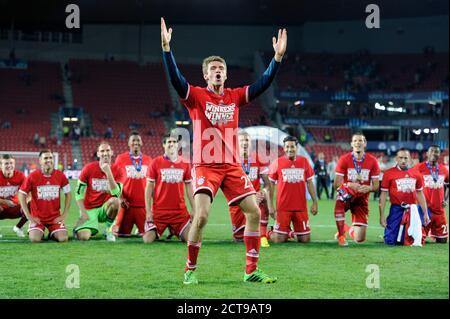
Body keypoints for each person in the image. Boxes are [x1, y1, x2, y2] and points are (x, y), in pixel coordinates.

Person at [161, 17, 286, 284]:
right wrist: (167, 50)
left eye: (221, 68)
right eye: (213, 68)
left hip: (231, 166)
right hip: (205, 165)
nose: (218, 71)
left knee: (253, 212)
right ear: (206, 74)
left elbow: (262, 83)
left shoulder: (235, 96)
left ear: (226, 74)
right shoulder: (195, 95)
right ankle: (189, 270)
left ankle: (251, 270)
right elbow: (175, 78)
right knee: (202, 215)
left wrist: (276, 59)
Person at [143, 133, 194, 243]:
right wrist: (148, 211)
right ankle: (168, 229)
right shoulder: (155, 162)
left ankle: (174, 229)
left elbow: (189, 188)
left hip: (179, 213)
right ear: (164, 145)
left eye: (174, 142)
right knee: (147, 240)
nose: (172, 144)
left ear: (177, 145)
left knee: (191, 239)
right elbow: (149, 188)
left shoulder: (185, 163)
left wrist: (195, 209)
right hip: (159, 212)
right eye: (169, 142)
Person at [267, 136, 318, 243]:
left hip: (300, 207)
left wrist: (314, 202)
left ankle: (288, 232)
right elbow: (270, 185)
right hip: (283, 207)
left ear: (297, 147)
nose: (290, 149)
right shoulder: (277, 162)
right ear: (284, 148)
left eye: (292, 146)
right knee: (279, 240)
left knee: (305, 240)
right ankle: (270, 232)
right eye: (287, 147)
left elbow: (309, 183)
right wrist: (270, 206)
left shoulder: (304, 161)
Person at [333, 132, 380, 246]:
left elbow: (376, 186)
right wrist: (349, 184)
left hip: (362, 199)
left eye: (360, 141)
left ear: (365, 144)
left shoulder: (372, 161)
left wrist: (369, 188)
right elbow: (336, 185)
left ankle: (347, 228)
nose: (358, 143)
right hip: (348, 194)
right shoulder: (344, 159)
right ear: (351, 144)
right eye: (355, 141)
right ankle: (341, 236)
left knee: (359, 239)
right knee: (339, 200)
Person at [229, 130, 271, 247]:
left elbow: (268, 184)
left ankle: (263, 232)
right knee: (239, 238)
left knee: (264, 198)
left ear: (251, 143)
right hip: (238, 202)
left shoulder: (258, 158)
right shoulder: (231, 160)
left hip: (255, 201)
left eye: (247, 140)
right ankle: (266, 232)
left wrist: (263, 191)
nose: (244, 143)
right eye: (241, 140)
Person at [73, 141, 123, 242]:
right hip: (89, 208)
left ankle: (108, 230)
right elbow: (78, 192)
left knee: (116, 201)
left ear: (112, 152)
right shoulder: (88, 168)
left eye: (107, 150)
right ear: (98, 154)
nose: (105, 153)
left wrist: (108, 172)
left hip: (105, 208)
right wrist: (83, 212)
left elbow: (117, 194)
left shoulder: (117, 169)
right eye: (102, 151)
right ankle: (79, 227)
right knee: (83, 237)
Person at [18, 149, 71, 242]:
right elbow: (21, 194)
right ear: (40, 161)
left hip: (54, 218)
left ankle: (52, 233)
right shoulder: (32, 176)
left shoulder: (60, 175)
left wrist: (64, 214)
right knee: (35, 239)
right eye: (45, 158)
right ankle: (38, 231)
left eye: (50, 158)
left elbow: (68, 194)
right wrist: (28, 216)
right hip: (38, 218)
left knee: (63, 238)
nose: (48, 160)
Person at [379, 149, 429, 245]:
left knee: (413, 240)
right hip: (396, 208)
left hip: (412, 209)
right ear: (396, 159)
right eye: (400, 158)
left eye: (405, 158)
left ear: (410, 159)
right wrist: (381, 215)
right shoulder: (388, 173)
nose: (403, 160)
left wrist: (425, 213)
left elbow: (420, 193)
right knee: (390, 241)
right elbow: (383, 195)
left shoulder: (416, 173)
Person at [113, 132, 152, 237]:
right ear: (129, 143)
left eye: (138, 140)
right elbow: (115, 181)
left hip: (143, 205)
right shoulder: (120, 158)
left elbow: (152, 184)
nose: (136, 142)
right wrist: (120, 198)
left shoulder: (149, 160)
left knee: (149, 235)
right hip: (126, 205)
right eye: (133, 140)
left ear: (142, 143)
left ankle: (140, 228)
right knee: (121, 235)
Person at [412, 145, 449, 243]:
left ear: (439, 154)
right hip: (425, 209)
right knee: (419, 239)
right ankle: (425, 231)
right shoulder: (419, 167)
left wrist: (445, 199)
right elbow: (411, 182)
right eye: (432, 151)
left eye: (436, 152)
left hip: (439, 210)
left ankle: (431, 232)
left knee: (443, 240)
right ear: (427, 154)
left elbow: (448, 185)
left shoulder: (444, 169)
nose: (434, 153)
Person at [0, 154, 29, 238]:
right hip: (1, 209)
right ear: (1, 165)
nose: (9, 166)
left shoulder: (20, 176)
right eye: (6, 164)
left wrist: (25, 203)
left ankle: (18, 227)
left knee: (32, 204)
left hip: (15, 208)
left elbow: (29, 193)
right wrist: (4, 202)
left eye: (11, 163)